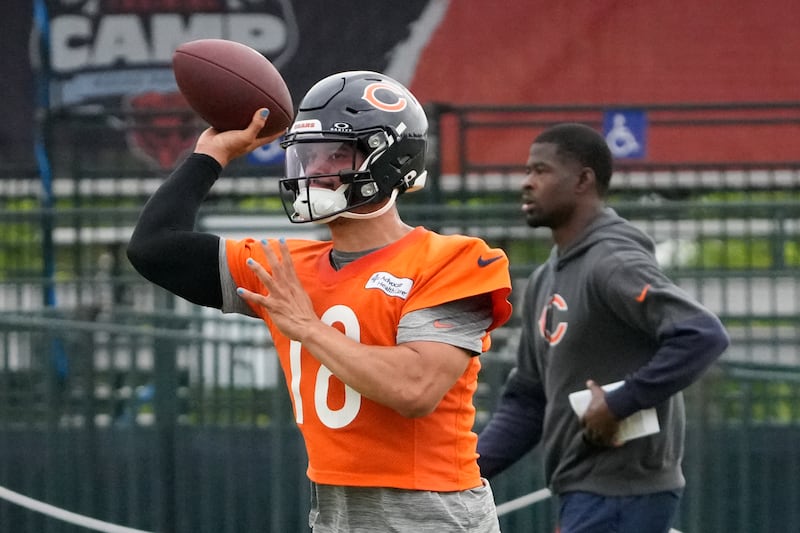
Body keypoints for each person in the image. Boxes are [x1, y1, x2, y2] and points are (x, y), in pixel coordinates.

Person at [126, 70, 513, 532]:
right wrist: (210, 156)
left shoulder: (453, 260)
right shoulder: (288, 268)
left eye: (334, 154)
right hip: (334, 512)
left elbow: (414, 391)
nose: (312, 171)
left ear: (389, 160)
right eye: (306, 157)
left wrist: (309, 327)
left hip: (432, 514)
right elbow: (153, 247)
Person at [476, 123, 730, 533]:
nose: (526, 183)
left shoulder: (612, 260)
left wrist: (620, 403)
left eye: (540, 171)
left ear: (582, 180)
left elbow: (701, 334)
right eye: (526, 171)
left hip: (624, 493)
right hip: (583, 491)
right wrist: (463, 469)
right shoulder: (545, 278)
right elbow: (527, 398)